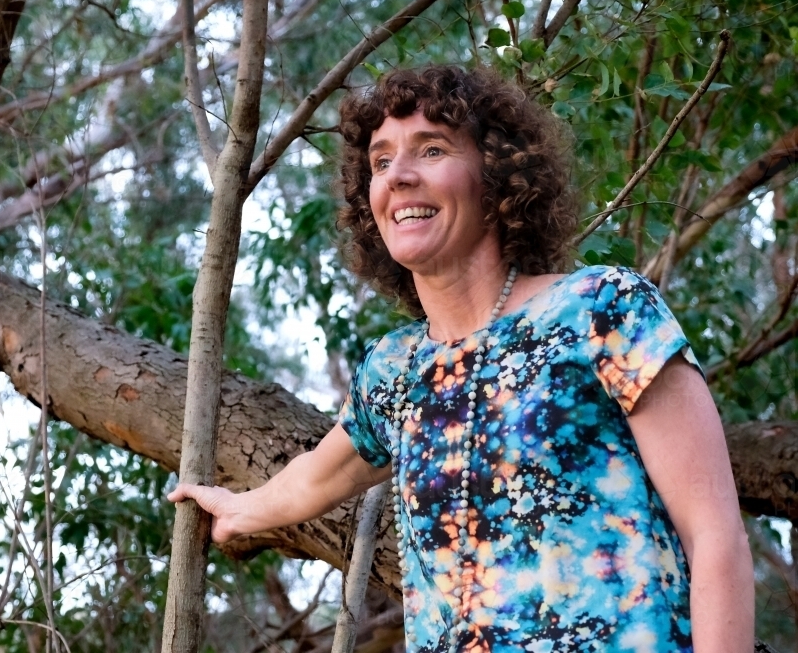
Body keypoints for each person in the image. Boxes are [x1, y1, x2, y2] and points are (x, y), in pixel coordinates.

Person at [168, 65, 754, 652]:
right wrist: (237, 509)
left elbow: (715, 537)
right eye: (380, 161)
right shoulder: (395, 371)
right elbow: (315, 479)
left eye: (431, 149)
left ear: (496, 177)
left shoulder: (603, 311)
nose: (398, 175)